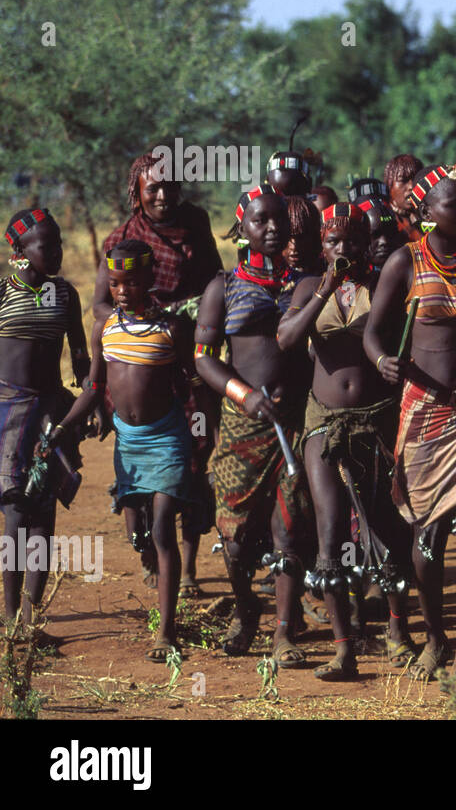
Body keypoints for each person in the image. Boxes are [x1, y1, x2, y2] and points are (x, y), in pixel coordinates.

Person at [365, 163, 456, 675]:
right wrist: (381, 359)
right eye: (455, 205)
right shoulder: (404, 264)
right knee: (427, 541)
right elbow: (373, 332)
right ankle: (434, 637)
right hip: (427, 413)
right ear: (426, 213)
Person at [277, 202, 414, 679]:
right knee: (330, 533)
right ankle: (343, 649)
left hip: (375, 419)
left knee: (388, 528)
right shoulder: (307, 288)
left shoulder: (383, 286)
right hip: (323, 421)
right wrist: (325, 290)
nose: (344, 249)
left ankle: (399, 633)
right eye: (334, 242)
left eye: (352, 241)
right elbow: (287, 339)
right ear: (321, 245)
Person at [51, 241, 194, 663]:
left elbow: (186, 385)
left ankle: (166, 633)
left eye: (132, 282)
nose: (123, 291)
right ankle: (147, 552)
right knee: (137, 536)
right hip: (128, 442)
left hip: (166, 437)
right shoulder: (104, 329)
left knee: (164, 527)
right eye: (115, 283)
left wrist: (202, 435)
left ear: (150, 281)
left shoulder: (170, 329)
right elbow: (95, 387)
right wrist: (65, 425)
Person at [95, 151, 224, 599]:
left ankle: (187, 567)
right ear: (138, 191)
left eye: (172, 186)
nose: (164, 195)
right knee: (143, 468)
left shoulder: (197, 225)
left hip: (188, 360)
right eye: (155, 188)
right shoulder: (123, 240)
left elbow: (215, 282)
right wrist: (139, 318)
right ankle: (151, 550)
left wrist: (192, 318)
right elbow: (99, 304)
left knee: (193, 454)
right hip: (140, 361)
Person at [195, 187, 313, 666]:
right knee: (236, 534)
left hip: (295, 420)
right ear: (241, 227)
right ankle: (246, 610)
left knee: (289, 528)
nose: (271, 229)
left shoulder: (305, 283)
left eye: (279, 221)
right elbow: (203, 358)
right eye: (260, 221)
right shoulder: (222, 286)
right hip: (243, 425)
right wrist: (245, 396)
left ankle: (284, 633)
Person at [0, 209, 89, 638]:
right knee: (16, 511)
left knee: (43, 513)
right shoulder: (2, 293)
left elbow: (81, 360)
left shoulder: (66, 295)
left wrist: (92, 403)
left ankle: (32, 619)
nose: (54, 252)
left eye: (57, 243)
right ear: (18, 250)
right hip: (7, 416)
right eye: (44, 245)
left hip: (51, 414)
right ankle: (10, 612)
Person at [383, 154, 425, 244]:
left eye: (416, 180)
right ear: (389, 185)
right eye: (403, 180)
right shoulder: (384, 221)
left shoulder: (431, 216)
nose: (411, 186)